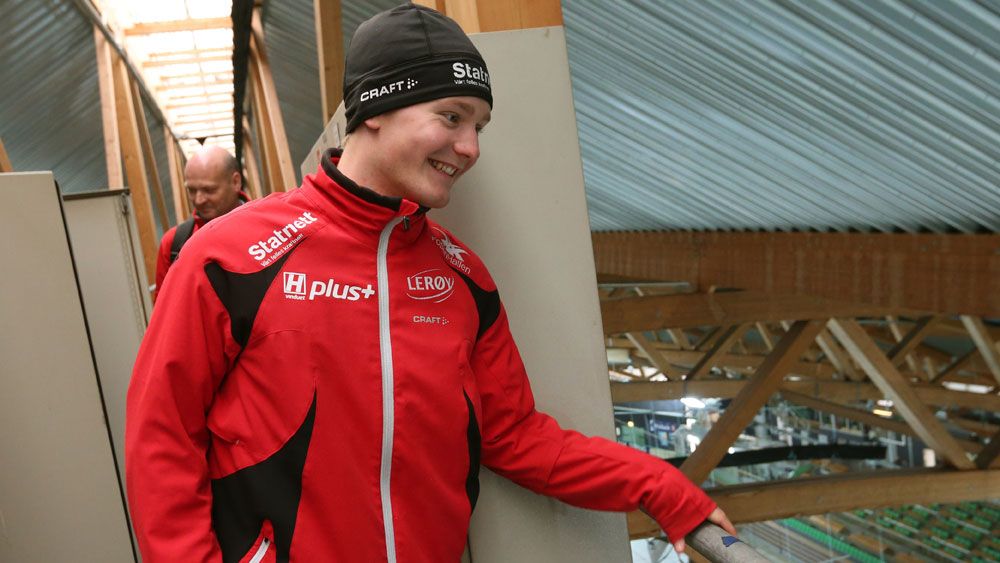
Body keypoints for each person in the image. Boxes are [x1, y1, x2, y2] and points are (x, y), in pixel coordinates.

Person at [125, 4, 734, 562]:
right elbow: (162, 437)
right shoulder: (230, 256)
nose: (470, 147)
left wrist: (661, 487)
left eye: (479, 126)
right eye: (451, 116)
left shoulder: (463, 278)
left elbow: (515, 436)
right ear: (374, 109)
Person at [153, 145, 248, 299]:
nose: (199, 200)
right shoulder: (173, 244)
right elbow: (164, 306)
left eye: (209, 190)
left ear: (236, 182)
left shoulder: (266, 230)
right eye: (192, 190)